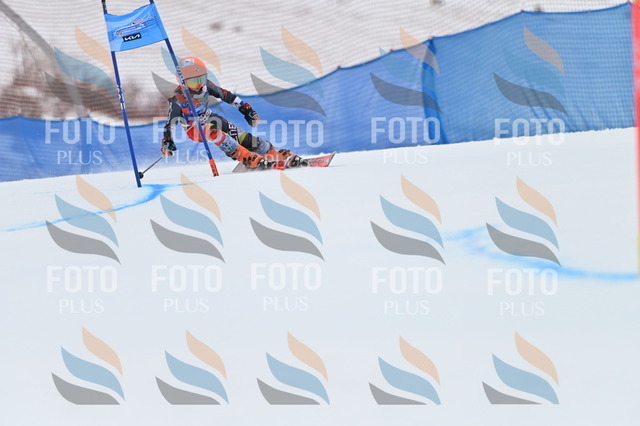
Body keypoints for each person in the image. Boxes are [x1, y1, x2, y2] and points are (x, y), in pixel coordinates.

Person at [161, 56, 301, 169]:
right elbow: (170, 124)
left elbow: (226, 96)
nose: (199, 86)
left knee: (238, 134)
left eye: (201, 79)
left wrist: (246, 109)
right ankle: (245, 157)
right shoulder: (178, 99)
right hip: (194, 127)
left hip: (210, 117)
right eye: (193, 83)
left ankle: (268, 151)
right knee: (213, 132)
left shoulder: (206, 86)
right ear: (182, 82)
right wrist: (168, 141)